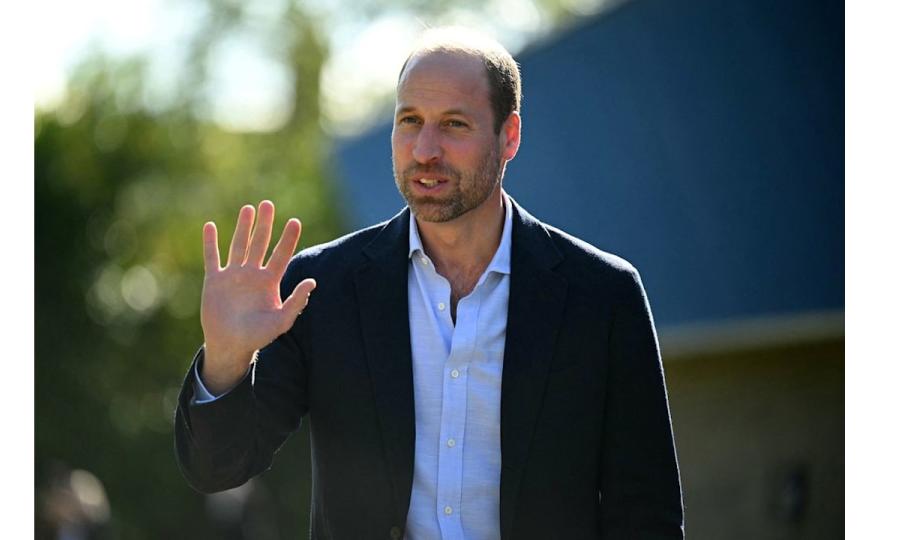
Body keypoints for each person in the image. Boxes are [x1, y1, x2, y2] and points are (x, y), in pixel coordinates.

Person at [175, 28, 684, 539]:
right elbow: (218, 469)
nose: (424, 149)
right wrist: (226, 359)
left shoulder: (602, 296)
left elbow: (646, 516)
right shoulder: (322, 288)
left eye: (454, 125)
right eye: (409, 121)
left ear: (509, 136)